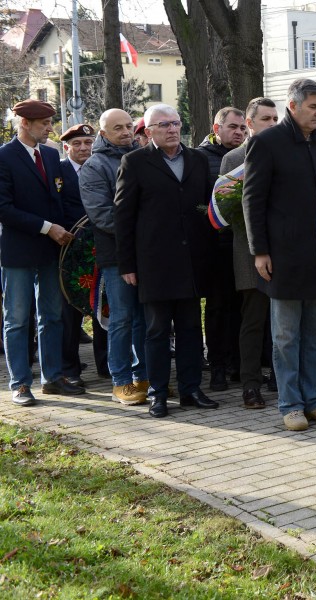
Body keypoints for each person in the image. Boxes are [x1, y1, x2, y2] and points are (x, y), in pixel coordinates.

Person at [242, 78, 316, 431]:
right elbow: (252, 199)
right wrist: (260, 251)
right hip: (282, 256)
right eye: (313, 107)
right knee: (285, 336)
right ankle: (290, 404)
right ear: (293, 106)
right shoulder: (267, 143)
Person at [114, 104, 220, 417]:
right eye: (163, 125)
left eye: (175, 123)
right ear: (149, 132)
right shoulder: (134, 162)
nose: (172, 129)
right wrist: (127, 264)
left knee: (189, 329)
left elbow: (205, 208)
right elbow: (123, 216)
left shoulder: (197, 159)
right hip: (155, 263)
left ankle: (190, 389)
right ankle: (159, 393)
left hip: (191, 261)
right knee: (157, 331)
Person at [0, 99, 85, 406]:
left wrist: (65, 230)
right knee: (18, 320)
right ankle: (20, 384)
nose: (51, 127)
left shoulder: (49, 155)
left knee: (52, 316)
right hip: (19, 251)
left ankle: (53, 378)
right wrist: (48, 227)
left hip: (52, 251)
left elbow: (57, 200)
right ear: (25, 123)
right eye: (45, 123)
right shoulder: (4, 157)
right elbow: (3, 209)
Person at [80, 108, 148, 405]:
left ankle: (144, 376)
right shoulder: (94, 166)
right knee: (121, 317)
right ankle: (121, 380)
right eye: (117, 128)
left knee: (145, 318)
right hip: (117, 254)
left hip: (148, 252)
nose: (125, 132)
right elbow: (102, 215)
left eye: (129, 126)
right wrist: (145, 232)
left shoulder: (144, 157)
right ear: (103, 133)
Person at [219, 97, 278, 409]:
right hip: (249, 250)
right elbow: (226, 207)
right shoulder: (234, 158)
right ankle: (250, 384)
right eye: (265, 119)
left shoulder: (285, 151)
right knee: (253, 321)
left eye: (275, 118)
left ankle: (281, 377)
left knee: (283, 322)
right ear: (251, 124)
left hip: (285, 252)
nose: (271, 124)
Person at [196, 107, 246, 391]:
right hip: (214, 247)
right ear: (217, 129)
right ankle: (216, 365)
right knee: (217, 309)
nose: (238, 132)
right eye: (232, 127)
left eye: (242, 128)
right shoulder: (200, 159)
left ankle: (239, 364)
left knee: (241, 309)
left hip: (240, 247)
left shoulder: (247, 156)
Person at [57, 123, 109, 385]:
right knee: (70, 311)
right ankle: (69, 367)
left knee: (102, 305)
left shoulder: (100, 167)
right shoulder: (60, 172)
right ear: (66, 148)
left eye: (88, 143)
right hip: (69, 253)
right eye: (76, 144)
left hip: (100, 248)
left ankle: (105, 363)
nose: (83, 148)